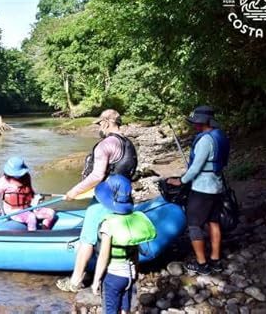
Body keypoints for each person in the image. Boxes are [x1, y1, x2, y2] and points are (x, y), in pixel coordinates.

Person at [57, 109, 138, 292]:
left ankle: (75, 282)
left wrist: (73, 191)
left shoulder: (105, 145)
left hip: (105, 199)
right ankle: (125, 272)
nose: (99, 128)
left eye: (100, 124)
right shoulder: (128, 143)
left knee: (87, 239)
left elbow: (96, 175)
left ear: (107, 123)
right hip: (124, 197)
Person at [167, 106, 230, 275]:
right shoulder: (220, 135)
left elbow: (195, 168)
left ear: (205, 122)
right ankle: (216, 260)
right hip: (217, 186)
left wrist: (180, 180)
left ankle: (202, 264)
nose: (195, 125)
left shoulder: (205, 140)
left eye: (197, 122)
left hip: (203, 188)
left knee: (194, 225)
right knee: (213, 221)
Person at [91, 175, 156, 314]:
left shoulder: (108, 225)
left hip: (113, 277)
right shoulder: (134, 221)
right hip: (130, 275)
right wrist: (136, 272)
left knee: (111, 310)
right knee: (124, 309)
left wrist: (96, 280)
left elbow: (103, 256)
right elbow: (135, 252)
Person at [0, 156, 56, 231]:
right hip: (13, 211)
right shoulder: (3, 181)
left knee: (51, 213)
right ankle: (33, 236)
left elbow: (30, 192)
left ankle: (45, 229)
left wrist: (35, 199)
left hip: (27, 206)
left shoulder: (26, 177)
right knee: (31, 217)